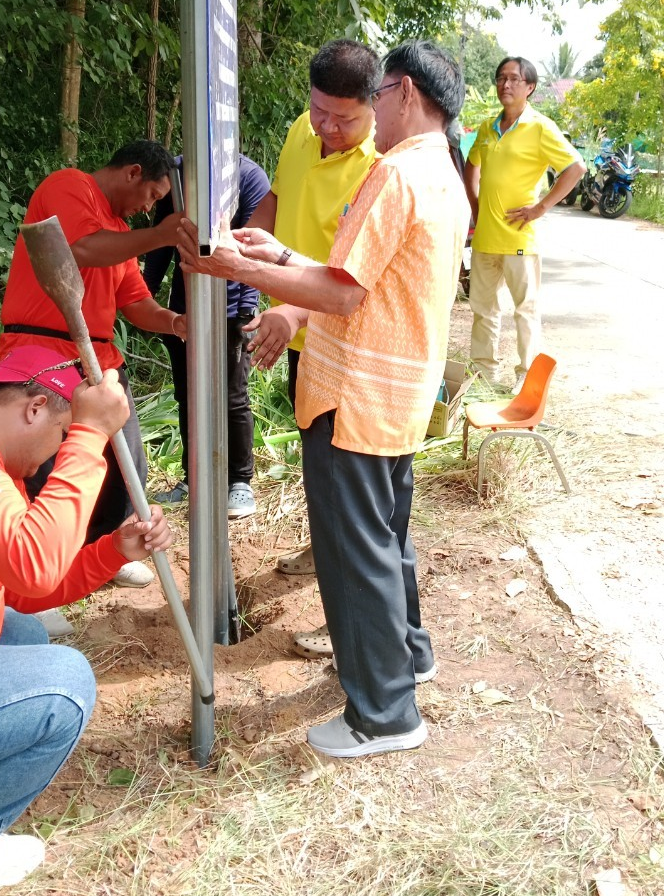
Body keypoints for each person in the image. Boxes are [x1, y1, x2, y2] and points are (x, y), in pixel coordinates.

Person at [178, 40, 470, 759]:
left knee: (354, 550)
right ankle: (407, 656)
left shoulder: (396, 173)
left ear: (401, 94)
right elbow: (358, 272)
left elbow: (344, 292)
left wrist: (237, 265)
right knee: (384, 538)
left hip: (357, 390)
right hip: (396, 388)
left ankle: (383, 715)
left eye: (372, 102)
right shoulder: (444, 172)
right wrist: (277, 256)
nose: (349, 121)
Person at [0, 346, 172, 896]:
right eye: (58, 435)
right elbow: (34, 566)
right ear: (34, 409)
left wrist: (113, 550)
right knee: (65, 687)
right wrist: (89, 436)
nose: (56, 455)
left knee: (19, 633)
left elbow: (22, 591)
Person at [0, 140, 186, 592]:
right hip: (40, 354)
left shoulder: (119, 231)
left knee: (125, 462)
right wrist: (162, 234)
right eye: (153, 197)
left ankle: (107, 550)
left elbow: (137, 302)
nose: (149, 209)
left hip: (98, 362)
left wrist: (176, 322)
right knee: (41, 464)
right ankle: (42, 575)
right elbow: (81, 248)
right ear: (132, 172)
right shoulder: (70, 185)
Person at [243, 39, 381, 656]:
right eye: (319, 110)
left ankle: (352, 619)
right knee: (320, 465)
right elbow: (275, 197)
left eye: (343, 118)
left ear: (374, 104)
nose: (327, 127)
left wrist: (291, 307)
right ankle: (323, 553)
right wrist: (251, 255)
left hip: (343, 342)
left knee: (347, 477)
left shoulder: (381, 167)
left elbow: (349, 273)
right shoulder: (304, 129)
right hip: (297, 326)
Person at [144, 153, 270, 518]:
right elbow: (161, 242)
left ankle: (240, 482)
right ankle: (194, 477)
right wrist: (144, 296)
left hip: (232, 310)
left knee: (233, 396)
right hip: (186, 310)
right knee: (188, 395)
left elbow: (253, 251)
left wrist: (246, 312)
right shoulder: (177, 176)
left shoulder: (249, 178)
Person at [464, 57, 585, 391]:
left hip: (520, 238)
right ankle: (483, 375)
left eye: (515, 79)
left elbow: (575, 168)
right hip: (486, 237)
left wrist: (540, 208)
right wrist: (475, 208)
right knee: (483, 311)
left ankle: (526, 375)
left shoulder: (541, 126)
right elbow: (470, 166)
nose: (506, 84)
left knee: (525, 311)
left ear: (530, 87)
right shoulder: (488, 128)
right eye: (501, 78)